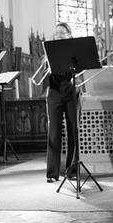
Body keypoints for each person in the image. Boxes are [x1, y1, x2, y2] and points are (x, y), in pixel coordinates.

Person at [45, 22, 79, 183]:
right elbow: (45, 74)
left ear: (69, 35)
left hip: (71, 91)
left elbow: (80, 69)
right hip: (54, 92)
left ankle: (71, 170)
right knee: (54, 132)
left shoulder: (74, 52)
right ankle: (52, 173)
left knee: (73, 130)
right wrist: (48, 65)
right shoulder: (49, 50)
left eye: (62, 33)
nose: (58, 35)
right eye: (56, 33)